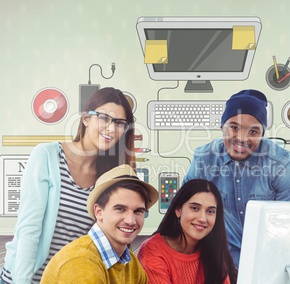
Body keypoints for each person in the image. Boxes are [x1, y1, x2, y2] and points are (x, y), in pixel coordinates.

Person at [0, 87, 136, 284]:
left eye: (119, 123)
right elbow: (29, 229)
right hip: (24, 277)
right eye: (105, 118)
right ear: (86, 118)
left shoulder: (110, 175)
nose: (112, 128)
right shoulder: (47, 155)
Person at [182, 89, 290, 268]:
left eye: (253, 132)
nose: (241, 138)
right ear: (221, 126)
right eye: (233, 127)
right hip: (216, 264)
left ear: (262, 133)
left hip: (267, 264)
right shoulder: (203, 159)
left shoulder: (281, 164)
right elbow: (184, 213)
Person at [40, 164, 158, 283]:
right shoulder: (81, 261)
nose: (131, 221)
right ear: (98, 212)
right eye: (120, 209)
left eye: (138, 211)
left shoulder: (130, 263)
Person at [137, 179, 237, 284]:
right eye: (195, 208)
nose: (202, 218)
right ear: (178, 210)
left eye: (210, 211)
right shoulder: (153, 250)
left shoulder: (216, 251)